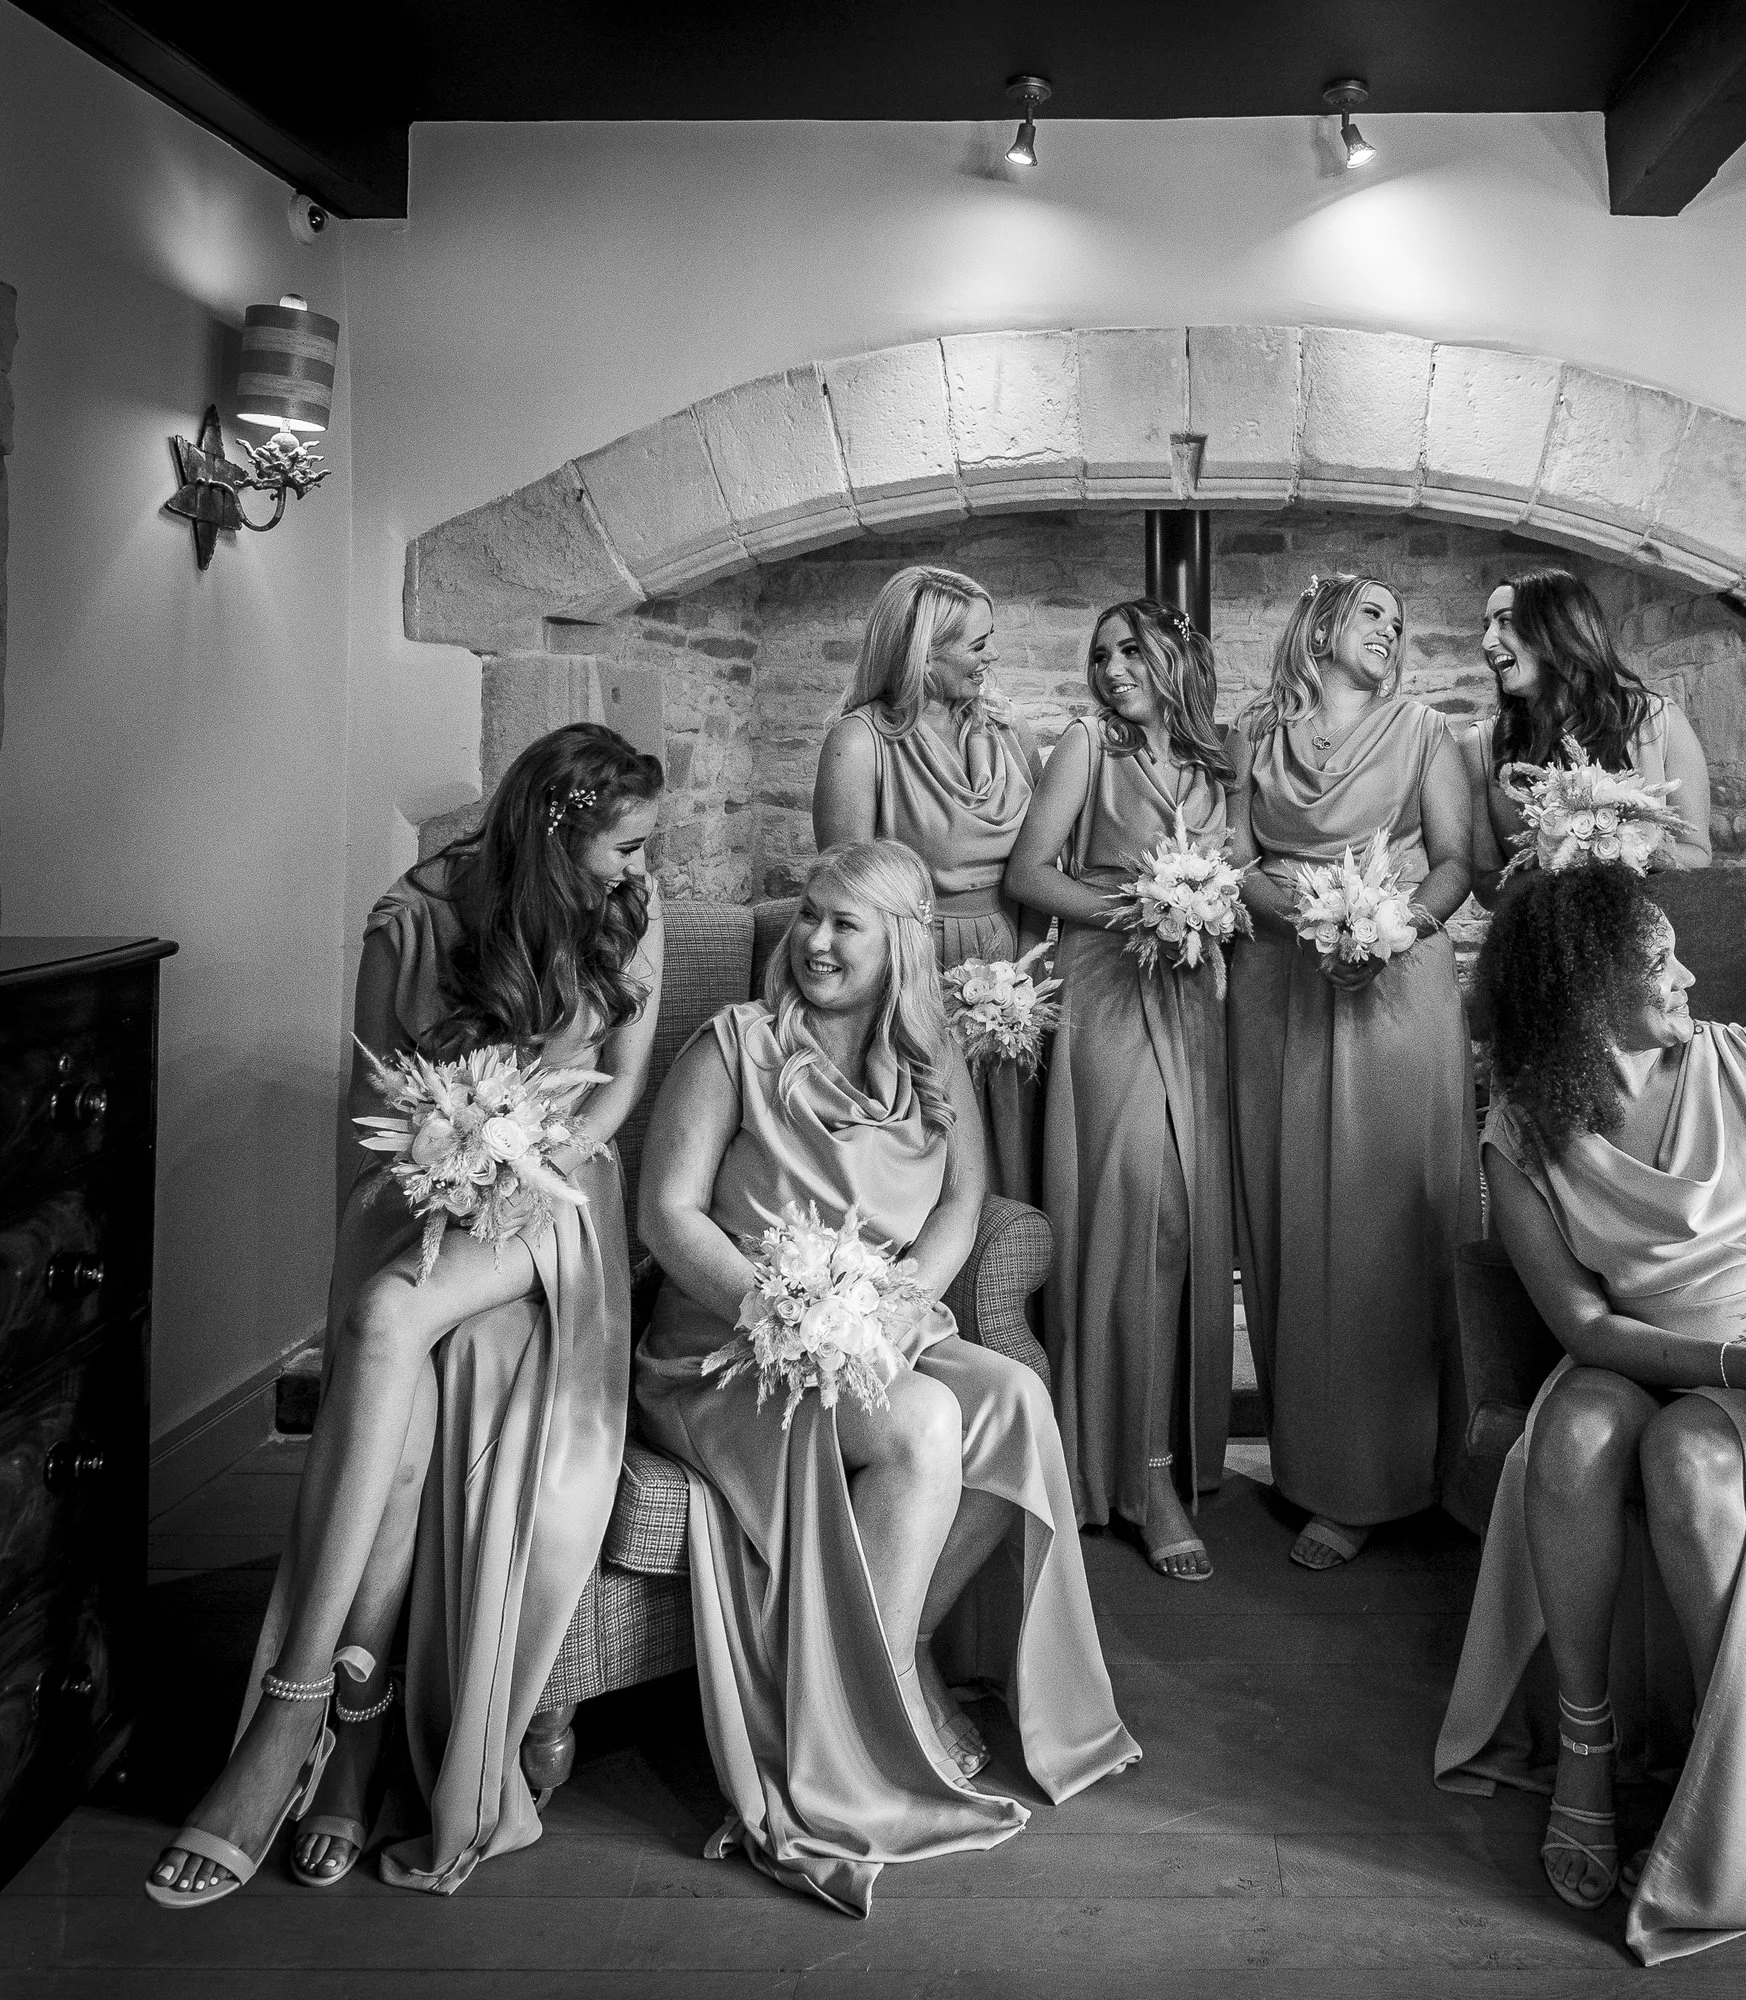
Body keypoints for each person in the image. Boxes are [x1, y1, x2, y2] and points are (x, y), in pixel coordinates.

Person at [148, 724, 666, 1906]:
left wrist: (540, 1150)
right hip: (429, 1179)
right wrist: (455, 1161)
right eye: (624, 845)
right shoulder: (414, 915)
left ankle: (287, 1713)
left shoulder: (634, 906)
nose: (642, 867)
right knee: (409, 1391)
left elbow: (622, 1080)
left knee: (385, 1324)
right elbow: (383, 1096)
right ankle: (360, 1728)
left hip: (561, 1192)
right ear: (552, 828)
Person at [632, 839, 1138, 1916]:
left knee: (1012, 1400)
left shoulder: (932, 1054)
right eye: (809, 914)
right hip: (730, 1344)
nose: (813, 940)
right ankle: (871, 1721)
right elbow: (664, 1213)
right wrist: (783, 1311)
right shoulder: (737, 1045)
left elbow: (962, 1202)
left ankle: (892, 1644)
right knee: (918, 1425)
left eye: (843, 923)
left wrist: (907, 1302)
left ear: (900, 944)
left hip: (869, 1324)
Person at [1434, 864, 1746, 1963]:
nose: (1689, 971)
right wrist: (1736, 1365)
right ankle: (1585, 1741)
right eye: (1657, 959)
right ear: (1582, 982)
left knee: (1691, 1456)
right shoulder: (1521, 1130)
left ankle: (1730, 1763)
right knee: (1571, 1430)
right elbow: (1583, 1327)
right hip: (1645, 1350)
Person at [1226, 572, 1477, 1571]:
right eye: (1373, 612)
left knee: (1376, 1230)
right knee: (1290, 1221)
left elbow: (1456, 862)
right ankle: (1309, 1466)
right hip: (1277, 986)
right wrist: (1308, 918)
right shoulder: (1253, 731)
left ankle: (1389, 1477)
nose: (1390, 631)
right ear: (1323, 622)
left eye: (1399, 622)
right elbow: (1235, 856)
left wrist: (1385, 927)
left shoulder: (1424, 731)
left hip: (1390, 988)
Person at [1007, 600, 1235, 1582]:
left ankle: (1159, 1448)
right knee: (1146, 1210)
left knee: (1187, 1223)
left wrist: (1209, 904)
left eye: (1129, 649)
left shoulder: (1214, 762)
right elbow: (1030, 874)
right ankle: (1138, 1474)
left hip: (1188, 1002)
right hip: (1106, 991)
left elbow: (1243, 869)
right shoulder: (1083, 749)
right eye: (1099, 654)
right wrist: (1137, 904)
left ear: (1174, 655)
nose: (1110, 669)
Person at [813, 565, 1045, 1201]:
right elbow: (844, 893)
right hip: (908, 970)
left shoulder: (1010, 734)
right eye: (976, 643)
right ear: (921, 650)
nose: (990, 656)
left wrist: (1026, 976)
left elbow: (1038, 866)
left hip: (1008, 969)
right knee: (931, 1160)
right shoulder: (860, 745)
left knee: (1012, 1159)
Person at [1459, 565, 1713, 907]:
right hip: (1536, 942)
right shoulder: (1478, 745)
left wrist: (1616, 846)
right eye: (1486, 625)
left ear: (1558, 628)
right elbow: (1489, 887)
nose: (1487, 641)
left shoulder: (1656, 720)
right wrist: (1562, 866)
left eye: (1504, 621)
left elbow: (1697, 854)